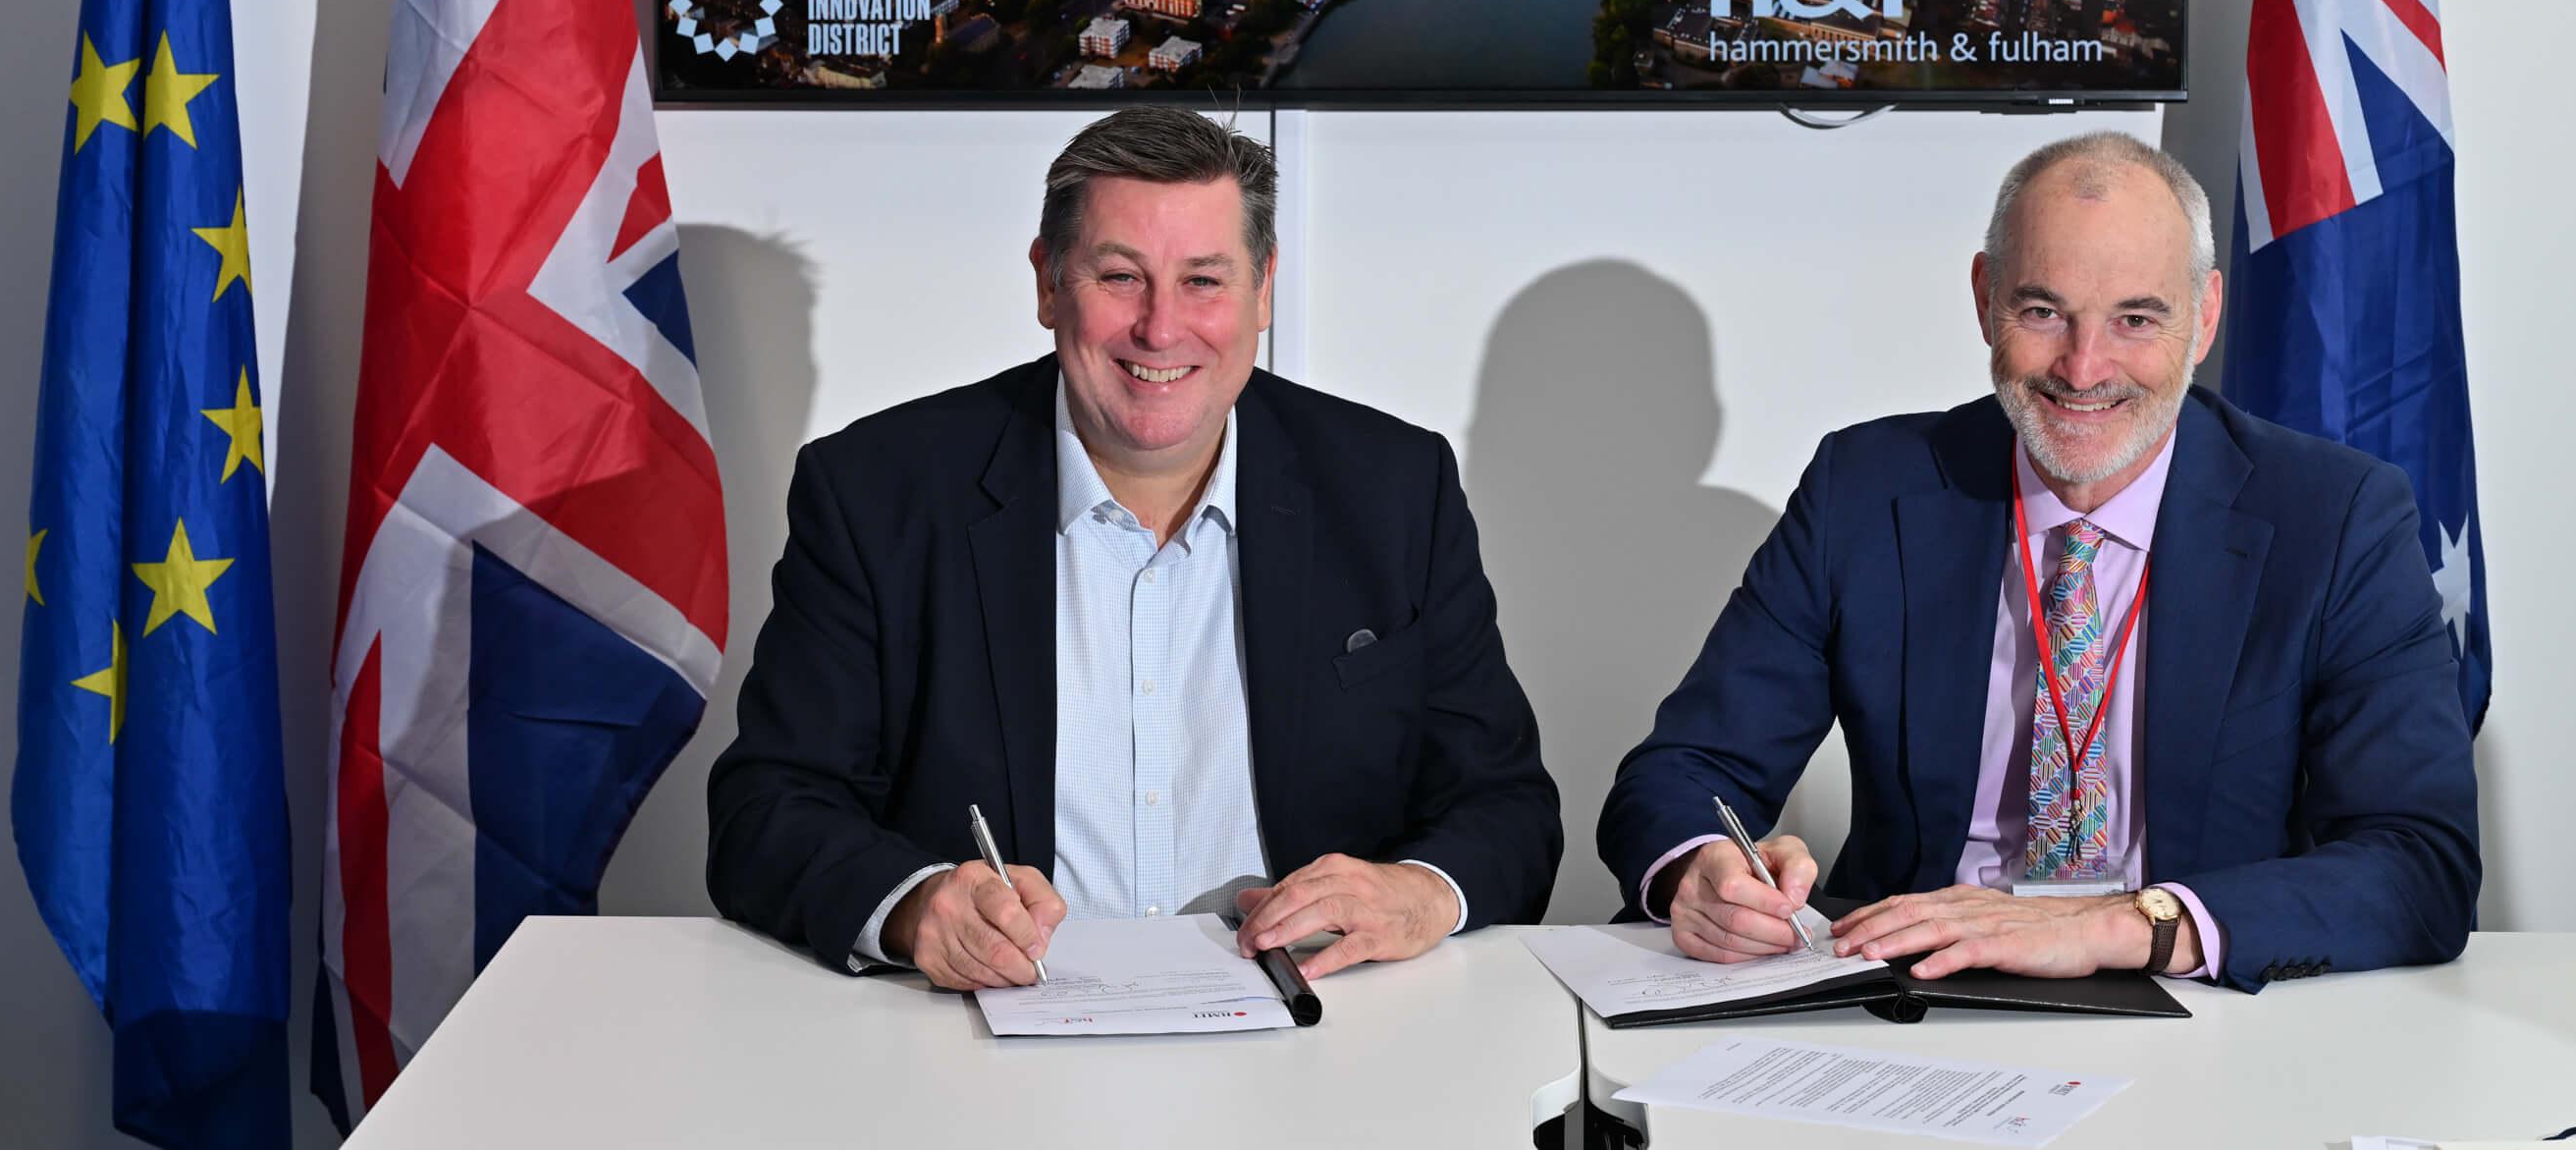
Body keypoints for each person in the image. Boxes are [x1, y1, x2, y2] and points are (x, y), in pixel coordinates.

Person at [1599, 133, 2479, 991]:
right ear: (1985, 299)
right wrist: (1702, 869)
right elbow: (1684, 772)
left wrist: (2125, 925)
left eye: (2136, 317)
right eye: (2041, 310)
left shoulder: (2335, 516)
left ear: (2204, 315)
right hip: (1918, 992)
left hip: (2193, 1000)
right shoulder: (1865, 488)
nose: (2082, 367)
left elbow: (2418, 860)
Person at [710, 108, 1559, 988]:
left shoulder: (1391, 488)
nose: (1160, 328)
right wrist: (917, 904)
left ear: (1263, 290)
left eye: (1203, 280)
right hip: (982, 1050)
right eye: (1120, 275)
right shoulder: (876, 490)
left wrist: (1417, 894)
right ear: (1047, 282)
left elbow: (1503, 804)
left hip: (1319, 1037)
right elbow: (766, 808)